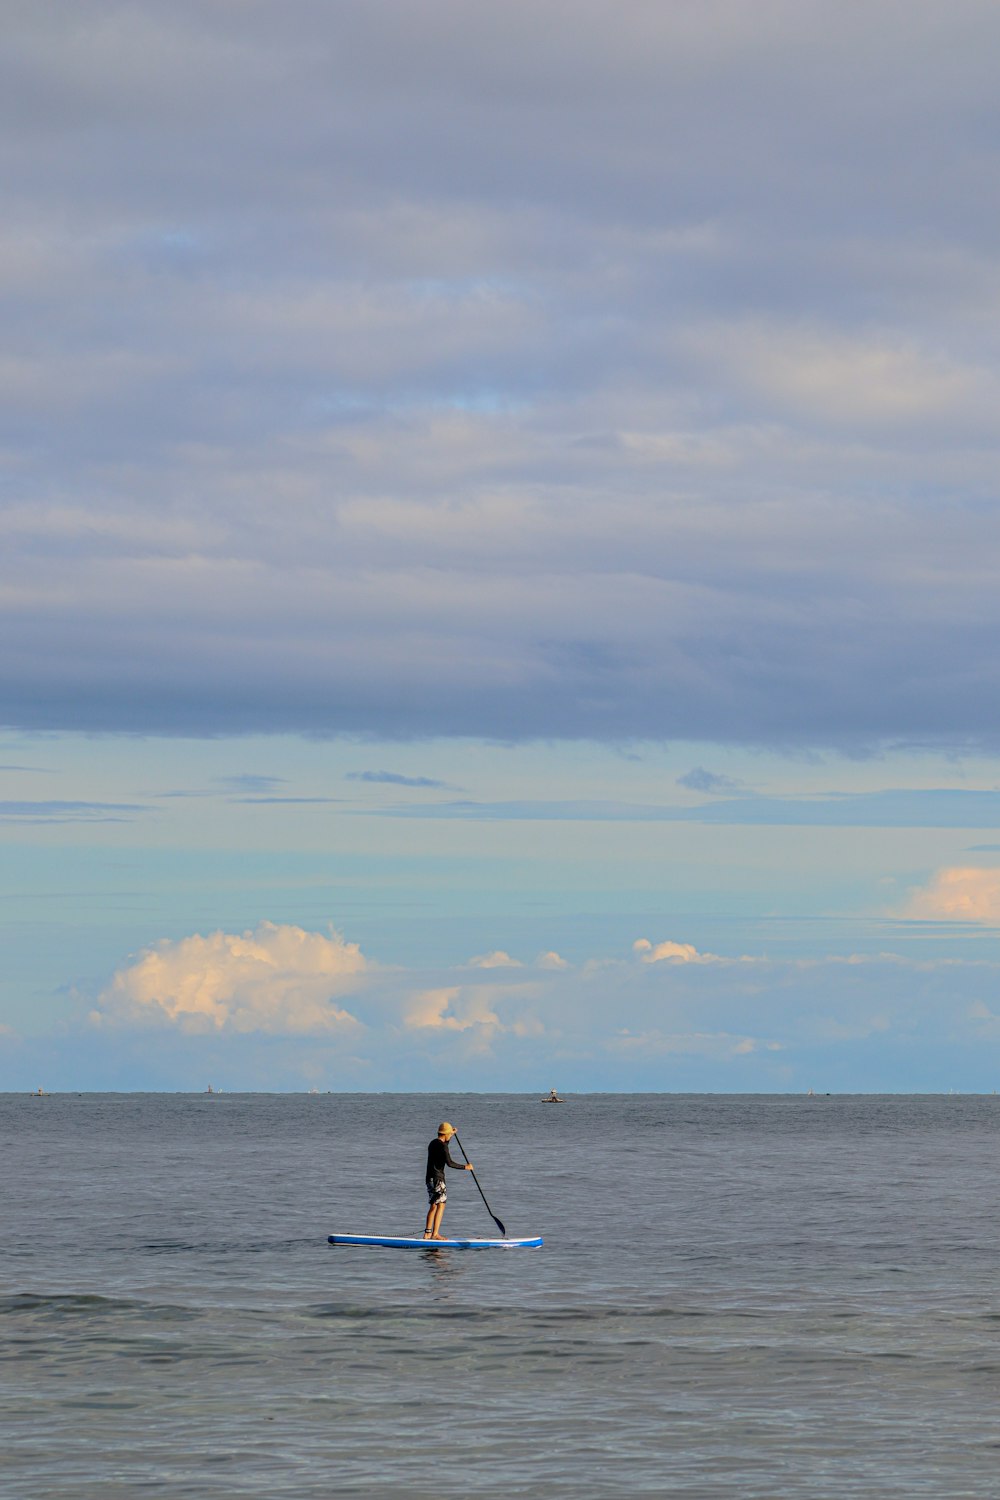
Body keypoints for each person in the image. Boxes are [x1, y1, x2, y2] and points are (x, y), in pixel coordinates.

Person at [424, 1121, 473, 1240]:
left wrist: (452, 1134)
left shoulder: (432, 1143)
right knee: (441, 1205)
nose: (450, 1136)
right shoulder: (443, 1146)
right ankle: (435, 1234)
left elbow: (444, 1147)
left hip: (429, 1179)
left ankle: (427, 1234)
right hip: (438, 1179)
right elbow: (449, 1163)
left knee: (433, 1205)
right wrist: (465, 1167)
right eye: (449, 1134)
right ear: (445, 1134)